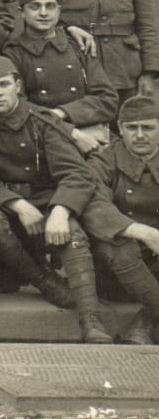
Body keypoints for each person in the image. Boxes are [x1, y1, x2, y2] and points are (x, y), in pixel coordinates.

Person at [0, 55, 112, 342]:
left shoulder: (41, 121)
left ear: (17, 85)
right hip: (2, 204)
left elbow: (76, 174)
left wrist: (61, 209)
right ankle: (43, 281)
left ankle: (91, 317)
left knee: (73, 232)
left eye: (4, 84)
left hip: (46, 200)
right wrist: (16, 204)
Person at [2, 0, 118, 152]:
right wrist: (67, 131)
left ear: (58, 10)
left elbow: (108, 100)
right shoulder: (14, 52)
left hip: (88, 130)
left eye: (50, 6)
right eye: (35, 7)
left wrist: (62, 113)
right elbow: (17, 106)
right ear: (22, 13)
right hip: (41, 136)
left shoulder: (79, 45)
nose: (43, 13)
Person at [82, 96, 159, 344]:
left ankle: (146, 322)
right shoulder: (104, 160)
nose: (139, 135)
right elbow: (93, 203)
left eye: (147, 128)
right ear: (120, 128)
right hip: (114, 272)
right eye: (131, 128)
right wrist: (140, 231)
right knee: (116, 243)